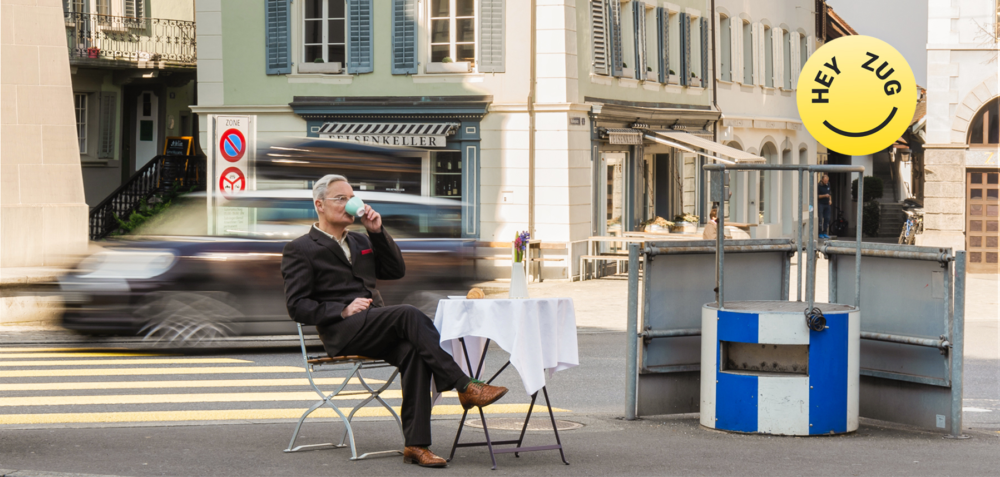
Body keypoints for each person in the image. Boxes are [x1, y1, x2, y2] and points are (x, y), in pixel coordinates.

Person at [281, 174, 508, 468]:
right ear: (319, 205)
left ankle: (416, 445)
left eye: (352, 197)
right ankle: (464, 385)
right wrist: (342, 310)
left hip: (373, 324)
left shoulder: (361, 240)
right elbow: (297, 306)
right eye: (341, 198)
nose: (349, 203)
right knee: (408, 313)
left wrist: (377, 232)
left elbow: (395, 270)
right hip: (342, 330)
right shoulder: (301, 249)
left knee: (414, 351)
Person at [817, 174, 832, 239]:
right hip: (821, 204)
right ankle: (820, 233)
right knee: (820, 219)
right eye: (825, 181)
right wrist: (824, 196)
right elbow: (817, 196)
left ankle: (825, 232)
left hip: (827, 204)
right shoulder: (819, 186)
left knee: (827, 218)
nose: (826, 182)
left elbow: (830, 194)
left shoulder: (828, 184)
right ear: (822, 180)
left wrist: (830, 200)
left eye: (827, 181)